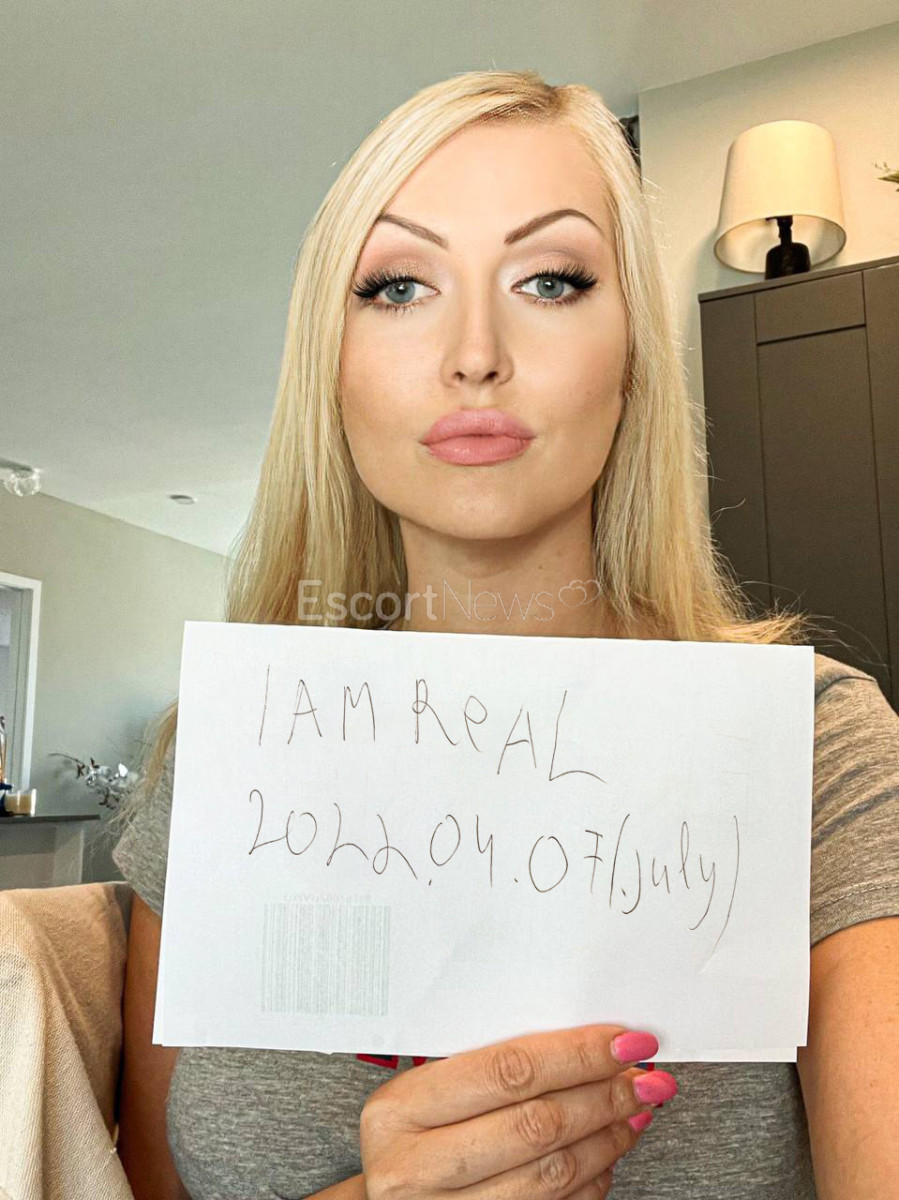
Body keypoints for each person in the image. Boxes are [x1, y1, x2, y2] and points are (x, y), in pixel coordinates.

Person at [108, 69, 899, 1200]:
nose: (473, 352)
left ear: (631, 356)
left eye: (549, 279)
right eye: (396, 287)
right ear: (328, 366)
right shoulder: (220, 759)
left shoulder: (818, 750)